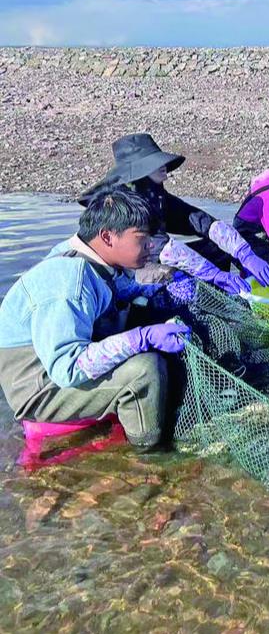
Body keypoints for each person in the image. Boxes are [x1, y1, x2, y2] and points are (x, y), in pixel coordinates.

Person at [0, 186, 189, 450]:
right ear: (107, 237)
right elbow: (67, 369)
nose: (150, 247)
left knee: (143, 313)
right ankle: (149, 453)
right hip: (40, 388)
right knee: (144, 370)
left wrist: (158, 287)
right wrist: (142, 338)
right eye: (142, 239)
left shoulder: (93, 258)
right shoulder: (68, 283)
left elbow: (116, 292)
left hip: (57, 369)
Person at [80, 133, 269, 295]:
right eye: (155, 164)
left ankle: (233, 289)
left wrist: (244, 252)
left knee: (216, 248)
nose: (164, 166)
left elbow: (198, 220)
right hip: (134, 269)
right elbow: (163, 248)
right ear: (140, 171)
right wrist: (214, 274)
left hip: (154, 255)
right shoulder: (127, 205)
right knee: (174, 278)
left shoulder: (154, 193)